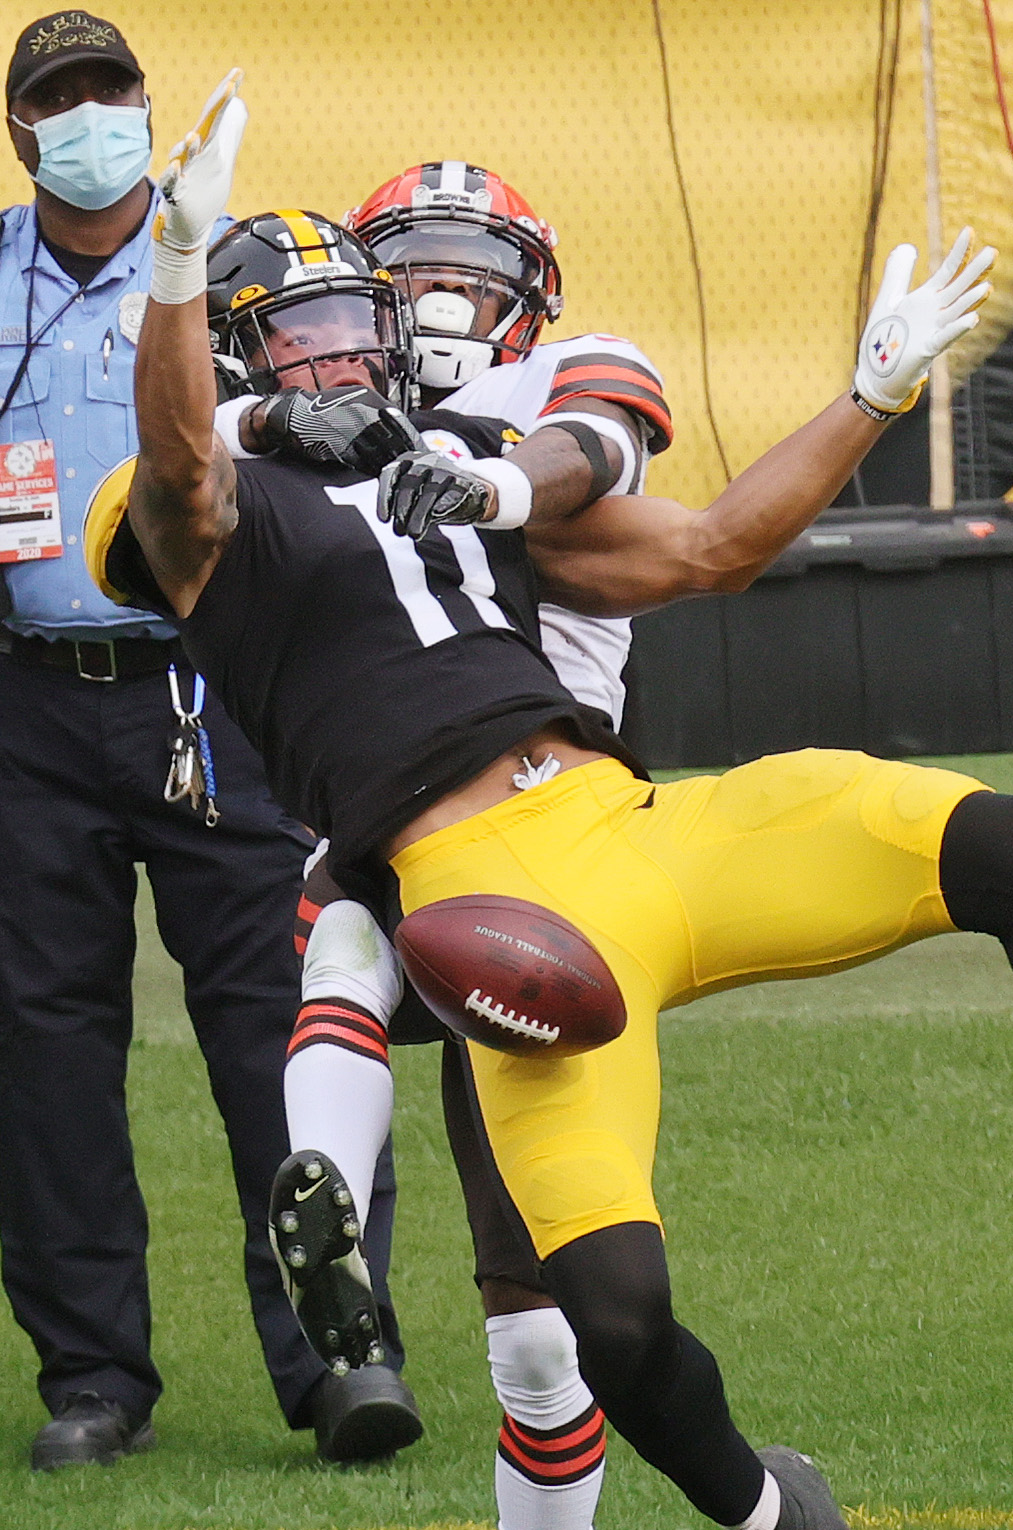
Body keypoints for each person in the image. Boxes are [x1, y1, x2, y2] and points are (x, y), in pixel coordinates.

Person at [107, 77, 1013, 1530]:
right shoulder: (199, 502)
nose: (340, 362)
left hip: (633, 818)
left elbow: (712, 542)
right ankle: (770, 1512)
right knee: (608, 1323)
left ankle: (331, 1172)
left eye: (357, 328)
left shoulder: (452, 476)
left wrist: (871, 398)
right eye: (299, 334)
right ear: (230, 355)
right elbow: (172, 465)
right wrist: (166, 265)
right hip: (479, 900)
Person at [213, 163, 675, 1527]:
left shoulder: (560, 380)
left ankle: (335, 1194)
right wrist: (275, 398)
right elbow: (210, 427)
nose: (440, 296)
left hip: (556, 815)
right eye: (411, 271)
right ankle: (332, 1208)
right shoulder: (328, 412)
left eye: (472, 270)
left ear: (527, 287)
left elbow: (605, 436)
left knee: (540, 1311)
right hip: (410, 814)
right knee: (347, 920)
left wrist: (484, 482)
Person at [0, 16, 415, 1469]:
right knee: (42, 1046)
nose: (89, 117)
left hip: (227, 687)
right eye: (56, 98)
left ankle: (341, 1357)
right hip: (30, 701)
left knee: (284, 1026)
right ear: (21, 129)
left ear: (147, 106)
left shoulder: (238, 267)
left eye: (110, 91)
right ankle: (92, 1380)